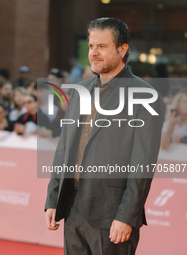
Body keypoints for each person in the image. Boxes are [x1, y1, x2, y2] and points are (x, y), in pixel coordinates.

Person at [44, 17, 165, 255]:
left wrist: (127, 216)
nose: (94, 53)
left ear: (122, 50)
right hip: (72, 208)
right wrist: (53, 198)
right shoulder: (80, 91)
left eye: (102, 46)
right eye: (91, 46)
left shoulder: (143, 95)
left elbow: (142, 165)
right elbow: (64, 149)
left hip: (112, 214)